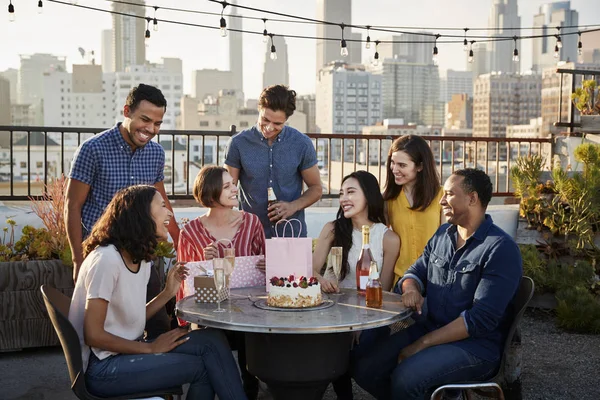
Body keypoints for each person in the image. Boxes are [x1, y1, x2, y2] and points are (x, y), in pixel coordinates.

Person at [352, 168, 523, 400]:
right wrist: (411, 288)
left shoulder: (500, 249)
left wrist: (422, 344)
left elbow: (478, 320)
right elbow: (414, 272)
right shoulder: (443, 234)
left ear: (472, 199)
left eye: (449, 194)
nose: (441, 200)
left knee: (407, 378)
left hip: (474, 346)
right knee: (365, 369)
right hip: (429, 329)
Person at [68, 185, 247, 400]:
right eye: (162, 206)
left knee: (211, 339)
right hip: (104, 368)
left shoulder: (139, 257)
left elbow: (128, 318)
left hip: (125, 352)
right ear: (142, 215)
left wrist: (168, 292)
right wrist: (150, 348)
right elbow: (93, 334)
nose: (170, 212)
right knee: (204, 367)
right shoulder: (106, 260)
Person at [65, 83, 179, 283]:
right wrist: (78, 260)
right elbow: (72, 206)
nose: (151, 129)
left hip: (141, 256)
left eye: (157, 123)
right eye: (145, 120)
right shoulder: (92, 149)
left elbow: (162, 201)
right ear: (127, 111)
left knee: (152, 313)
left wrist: (179, 241)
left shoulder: (156, 153)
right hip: (101, 256)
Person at [176, 165, 265, 400]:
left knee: (251, 338)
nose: (235, 189)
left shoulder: (252, 223)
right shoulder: (190, 232)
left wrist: (270, 264)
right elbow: (184, 278)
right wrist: (204, 262)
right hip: (210, 312)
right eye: (227, 186)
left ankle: (250, 390)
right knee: (213, 340)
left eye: (232, 184)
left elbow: (266, 267)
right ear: (211, 191)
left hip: (249, 308)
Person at [224, 84, 322, 238]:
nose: (269, 128)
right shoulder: (237, 144)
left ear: (286, 119)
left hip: (291, 235)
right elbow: (226, 192)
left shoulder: (302, 144)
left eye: (277, 124)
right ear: (259, 109)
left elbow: (316, 188)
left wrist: (292, 206)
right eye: (265, 119)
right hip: (250, 235)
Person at [313, 171, 399, 292]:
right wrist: (322, 282)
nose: (343, 199)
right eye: (341, 194)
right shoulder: (332, 229)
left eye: (351, 192)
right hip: (331, 303)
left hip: (368, 305)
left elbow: (384, 289)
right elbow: (310, 270)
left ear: (368, 195)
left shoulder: (389, 239)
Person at [383, 135, 443, 285]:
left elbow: (447, 241)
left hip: (434, 280)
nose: (394, 169)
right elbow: (380, 241)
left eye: (402, 165)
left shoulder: (442, 196)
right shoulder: (387, 200)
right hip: (400, 281)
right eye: (392, 163)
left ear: (420, 166)